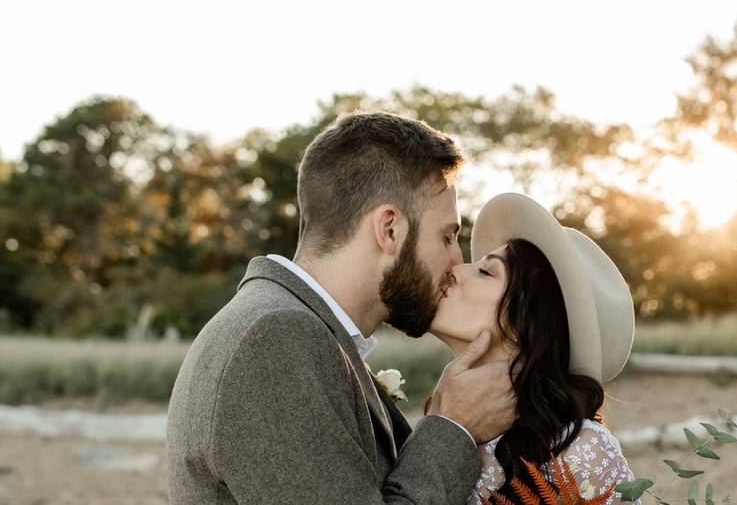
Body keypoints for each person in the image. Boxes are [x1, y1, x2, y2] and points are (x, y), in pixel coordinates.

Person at [166, 111, 516, 505]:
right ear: (390, 230)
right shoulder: (275, 341)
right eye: (447, 236)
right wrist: (456, 426)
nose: (456, 263)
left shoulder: (300, 329)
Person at [429, 192, 637, 504]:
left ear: (529, 321)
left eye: (486, 271)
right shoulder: (441, 421)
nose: (456, 270)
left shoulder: (579, 451)